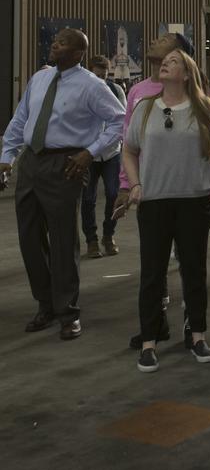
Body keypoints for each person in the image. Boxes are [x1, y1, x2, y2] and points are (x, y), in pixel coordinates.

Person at [0, 29, 125, 340]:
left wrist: (90, 152)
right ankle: (45, 305)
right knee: (30, 238)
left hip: (66, 164)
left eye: (63, 42)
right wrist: (7, 157)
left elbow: (120, 121)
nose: (55, 44)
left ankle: (68, 312)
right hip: (31, 162)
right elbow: (20, 119)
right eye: (55, 40)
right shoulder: (39, 79)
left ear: (78, 53)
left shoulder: (92, 86)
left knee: (63, 240)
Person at [118, 48, 210, 373]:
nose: (165, 63)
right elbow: (129, 150)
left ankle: (198, 336)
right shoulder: (144, 107)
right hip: (154, 202)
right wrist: (135, 184)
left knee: (194, 271)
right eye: (165, 61)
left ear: (187, 74)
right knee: (152, 273)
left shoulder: (204, 108)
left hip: (194, 202)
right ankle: (149, 342)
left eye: (174, 61)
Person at [119, 32, 190, 349]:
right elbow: (128, 142)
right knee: (153, 263)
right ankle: (156, 323)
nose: (153, 42)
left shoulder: (190, 88)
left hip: (185, 191)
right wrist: (127, 184)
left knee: (189, 260)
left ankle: (193, 321)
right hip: (149, 189)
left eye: (163, 40)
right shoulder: (137, 91)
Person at [81, 54, 127, 258]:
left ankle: (109, 235)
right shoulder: (82, 91)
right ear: (89, 72)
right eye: (97, 75)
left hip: (111, 153)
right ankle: (91, 240)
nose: (101, 80)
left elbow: (123, 118)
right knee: (88, 198)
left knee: (113, 194)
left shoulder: (116, 90)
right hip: (87, 154)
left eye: (104, 76)